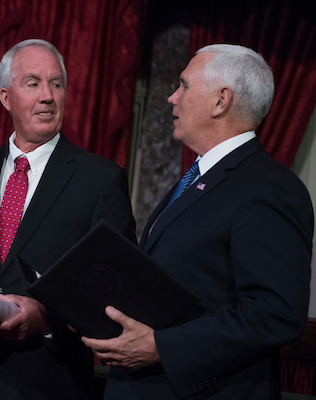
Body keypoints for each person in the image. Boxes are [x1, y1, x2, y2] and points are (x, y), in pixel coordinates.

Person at [82, 44, 314, 399]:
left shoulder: (270, 187)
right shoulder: (199, 177)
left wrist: (162, 346)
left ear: (221, 101)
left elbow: (276, 313)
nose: (173, 98)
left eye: (184, 86)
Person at [0, 39, 137, 400]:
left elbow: (114, 287)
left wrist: (48, 319)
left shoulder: (100, 179)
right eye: (33, 82)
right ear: (6, 98)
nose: (48, 96)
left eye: (56, 84)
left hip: (49, 381)